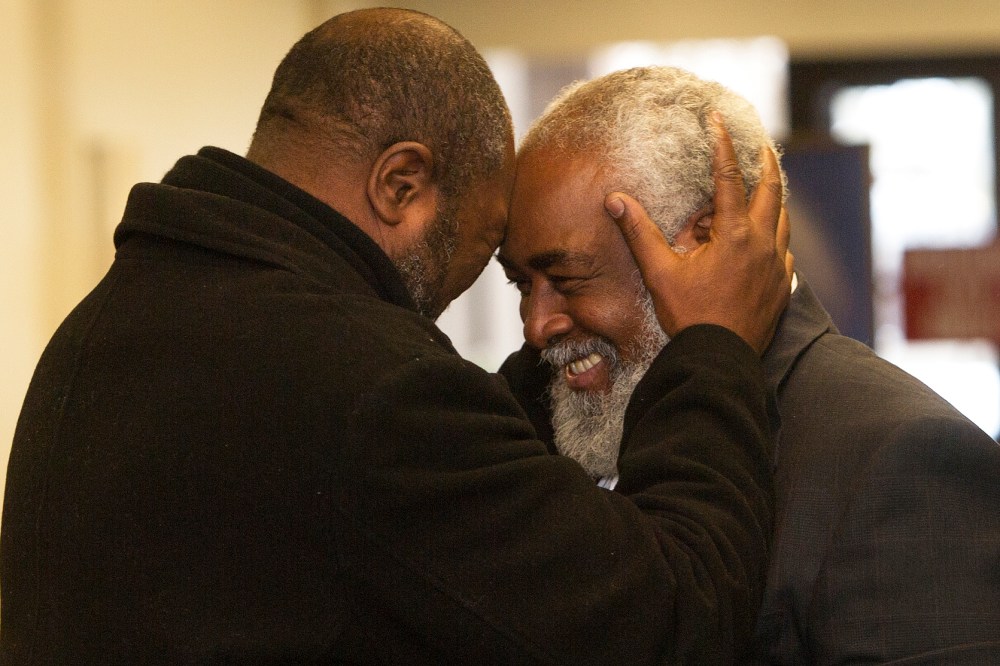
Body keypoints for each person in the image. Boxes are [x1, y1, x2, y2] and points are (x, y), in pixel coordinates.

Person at [1, 10, 793, 664]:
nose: (529, 321)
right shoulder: (365, 382)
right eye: (483, 259)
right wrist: (713, 346)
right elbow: (674, 618)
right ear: (400, 184)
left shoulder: (112, 326)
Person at [497, 65, 1000, 664]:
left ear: (711, 243)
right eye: (521, 283)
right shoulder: (528, 428)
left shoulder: (900, 459)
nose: (536, 322)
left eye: (568, 278)